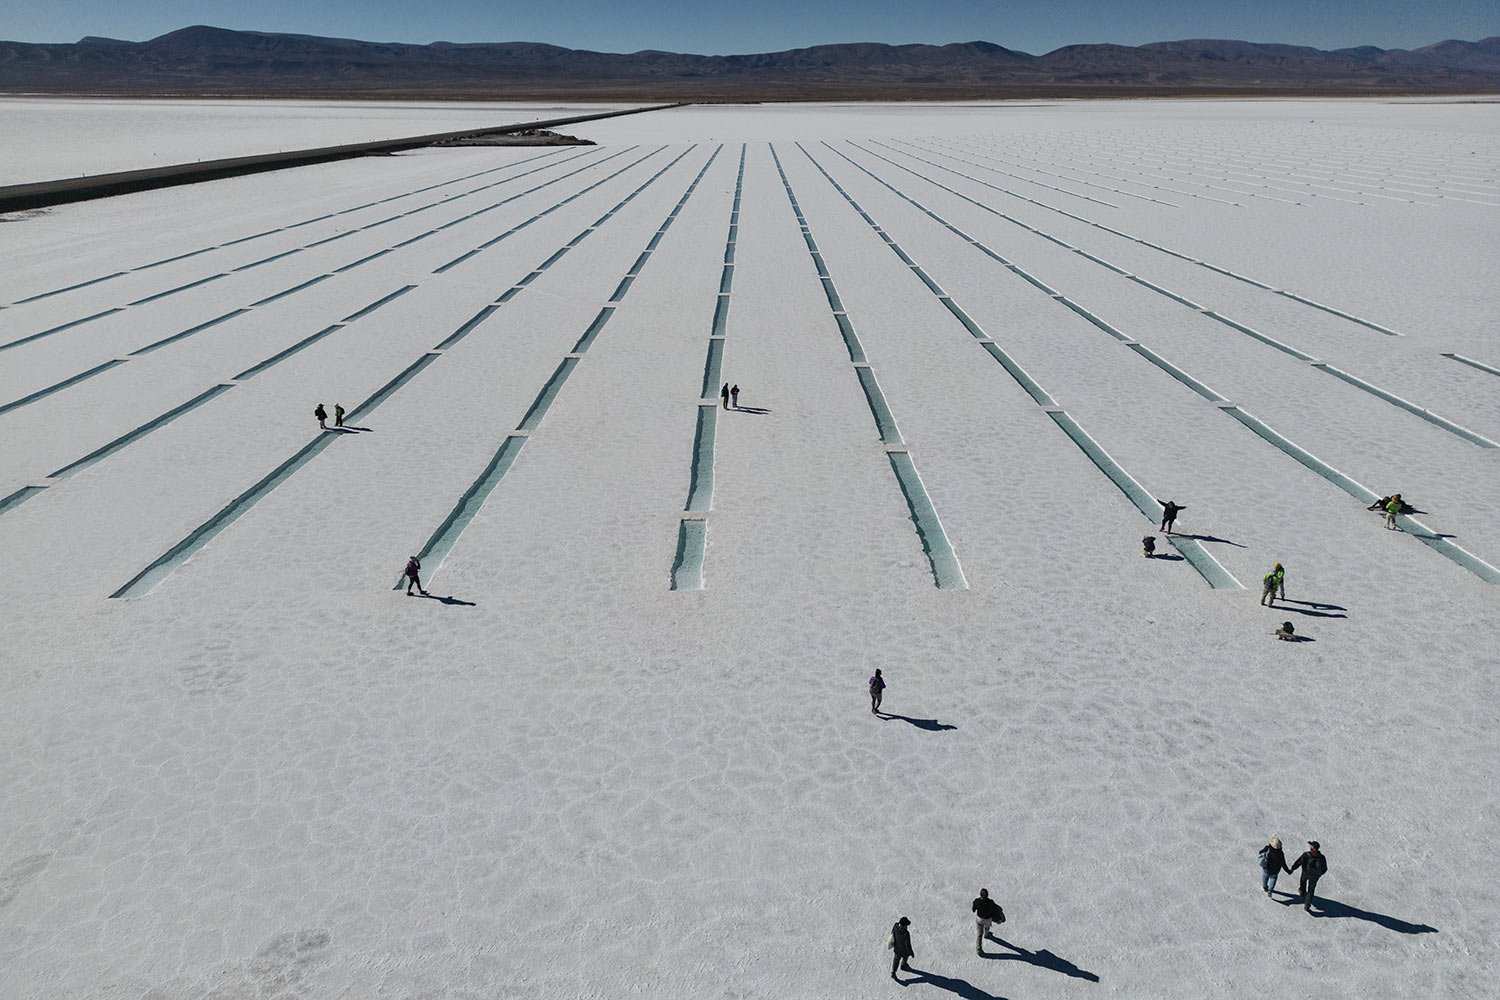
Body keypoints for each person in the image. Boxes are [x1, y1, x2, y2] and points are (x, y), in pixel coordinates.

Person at [1288, 841, 1328, 912]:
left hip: (1306, 873)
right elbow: (1324, 869)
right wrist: (1319, 874)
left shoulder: (1306, 855)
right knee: (1311, 890)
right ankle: (1307, 904)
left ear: (1312, 848)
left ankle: (1302, 891)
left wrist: (1293, 868)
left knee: (1303, 881)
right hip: (1315, 876)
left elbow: (1299, 862)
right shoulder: (1322, 858)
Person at [972, 888, 1003, 955]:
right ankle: (986, 934)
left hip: (979, 919)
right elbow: (995, 912)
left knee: (979, 934)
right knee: (987, 927)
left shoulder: (978, 901)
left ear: (980, 895)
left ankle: (978, 950)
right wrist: (998, 920)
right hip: (987, 920)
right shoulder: (991, 903)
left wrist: (974, 908)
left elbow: (973, 909)